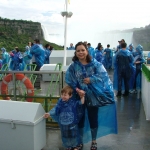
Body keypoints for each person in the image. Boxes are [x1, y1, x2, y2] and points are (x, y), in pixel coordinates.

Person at [65, 42, 117, 150]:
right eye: (78, 50)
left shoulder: (95, 64)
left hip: (93, 97)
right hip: (78, 97)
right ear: (76, 52)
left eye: (82, 50)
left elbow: (103, 76)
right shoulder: (74, 66)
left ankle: (94, 141)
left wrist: (91, 79)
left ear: (87, 51)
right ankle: (80, 142)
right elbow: (69, 80)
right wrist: (77, 90)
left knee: (93, 118)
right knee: (79, 118)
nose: (80, 52)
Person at [44, 85, 85, 150]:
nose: (63, 96)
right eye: (62, 94)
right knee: (66, 136)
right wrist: (49, 113)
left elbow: (81, 103)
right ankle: (68, 146)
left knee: (74, 135)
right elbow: (55, 109)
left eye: (65, 95)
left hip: (72, 124)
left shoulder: (73, 102)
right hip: (64, 125)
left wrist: (82, 97)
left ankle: (75, 146)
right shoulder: (60, 103)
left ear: (70, 95)